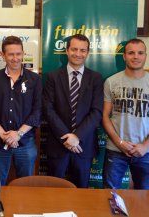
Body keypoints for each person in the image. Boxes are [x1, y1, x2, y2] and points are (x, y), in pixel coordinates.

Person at [102, 38, 149, 190]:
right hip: (116, 150)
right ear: (124, 56)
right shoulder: (111, 82)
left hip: (146, 151)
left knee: (145, 198)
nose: (135, 56)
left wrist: (146, 145)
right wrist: (120, 143)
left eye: (140, 53)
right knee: (109, 196)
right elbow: (105, 116)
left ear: (145, 56)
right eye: (131, 53)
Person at [42, 34, 103, 188]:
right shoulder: (52, 77)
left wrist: (77, 136)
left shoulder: (96, 78)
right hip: (58, 144)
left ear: (87, 53)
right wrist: (67, 138)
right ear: (67, 51)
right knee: (53, 192)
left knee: (82, 192)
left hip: (84, 145)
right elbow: (48, 109)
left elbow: (96, 111)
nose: (78, 53)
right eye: (74, 49)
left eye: (83, 50)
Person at [0, 36, 41, 185]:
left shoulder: (34, 80)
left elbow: (37, 111)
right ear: (3, 55)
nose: (15, 58)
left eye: (18, 54)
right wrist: (3, 135)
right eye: (10, 54)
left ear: (23, 53)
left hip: (26, 143)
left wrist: (18, 134)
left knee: (26, 186)